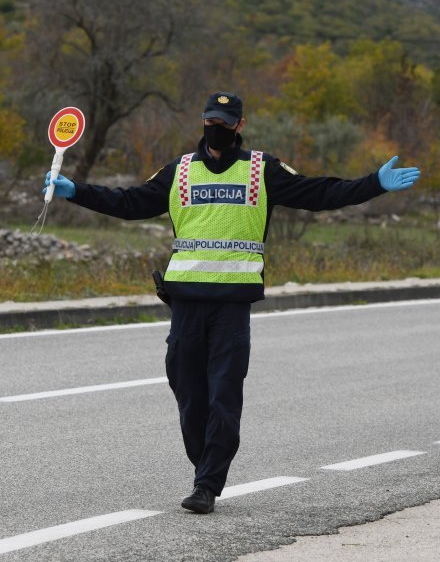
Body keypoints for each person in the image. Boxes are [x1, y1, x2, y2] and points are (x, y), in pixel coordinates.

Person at [44, 91, 420, 514]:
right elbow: (130, 202)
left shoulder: (262, 169)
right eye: (210, 119)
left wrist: (373, 184)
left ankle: (206, 484)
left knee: (224, 395)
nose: (215, 127)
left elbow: (319, 193)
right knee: (188, 396)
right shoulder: (180, 171)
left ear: (239, 125)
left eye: (224, 121)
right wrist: (76, 191)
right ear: (202, 120)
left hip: (231, 306)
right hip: (185, 303)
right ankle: (204, 464)